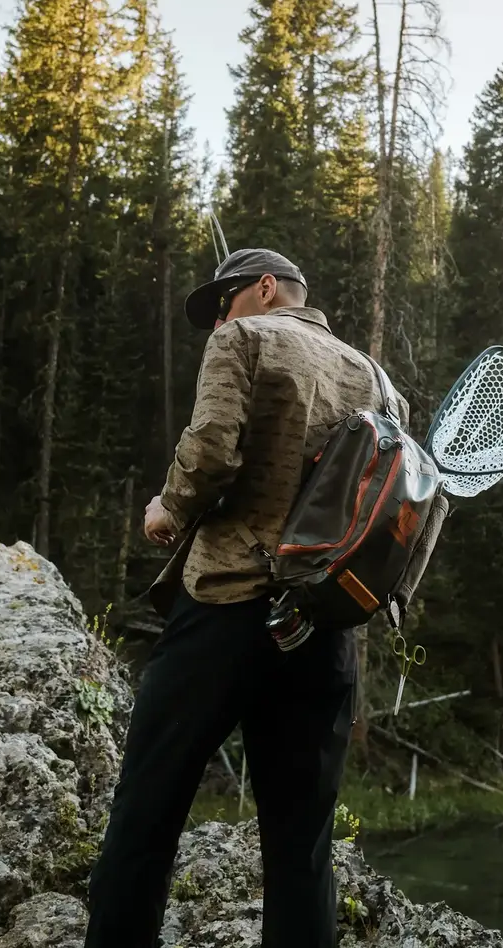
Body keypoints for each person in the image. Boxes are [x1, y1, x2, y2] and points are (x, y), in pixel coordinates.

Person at [84, 248, 408, 948]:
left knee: (147, 807)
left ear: (263, 290)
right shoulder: (379, 380)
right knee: (302, 845)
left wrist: (165, 512)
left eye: (223, 303)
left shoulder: (244, 339)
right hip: (325, 632)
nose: (218, 322)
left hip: (228, 604)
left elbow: (211, 452)